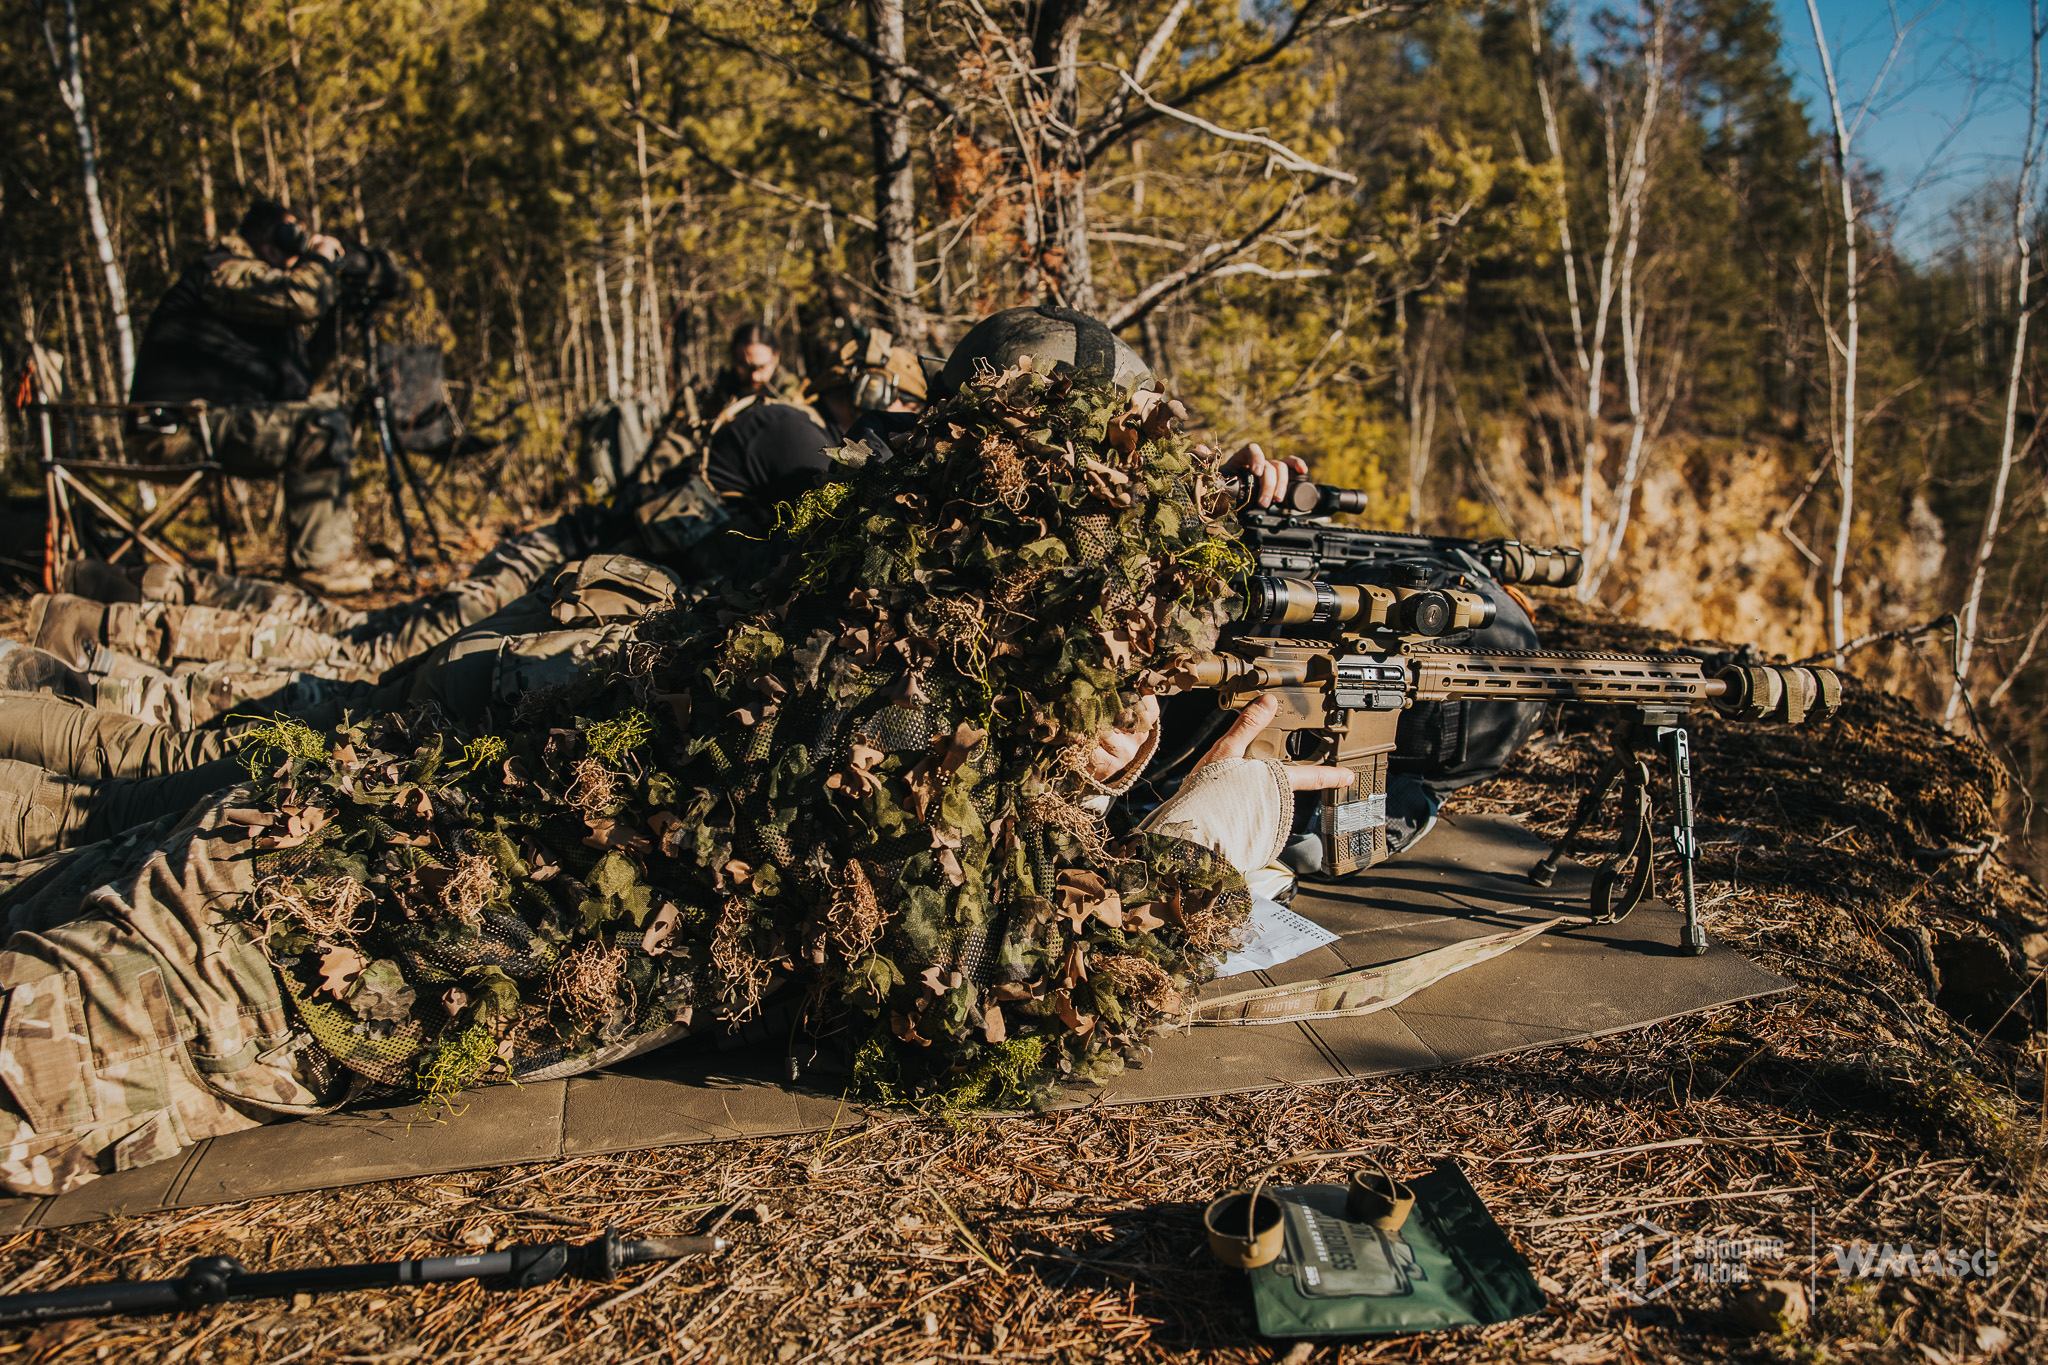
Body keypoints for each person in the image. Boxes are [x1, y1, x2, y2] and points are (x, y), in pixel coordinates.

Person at [0, 324, 1350, 1197]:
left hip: (285, 867)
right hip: (246, 967)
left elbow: (929, 790)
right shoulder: (886, 695)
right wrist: (1217, 825)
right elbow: (1041, 987)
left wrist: (1094, 768)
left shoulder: (866, 596)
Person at [127, 199, 384, 595]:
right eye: (289, 234)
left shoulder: (264, 302)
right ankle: (317, 564)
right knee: (321, 423)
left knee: (326, 409)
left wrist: (344, 309)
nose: (295, 247)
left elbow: (304, 385)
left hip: (210, 423)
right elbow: (301, 298)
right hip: (172, 429)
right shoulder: (223, 270)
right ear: (263, 237)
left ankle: (332, 552)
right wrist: (319, 261)